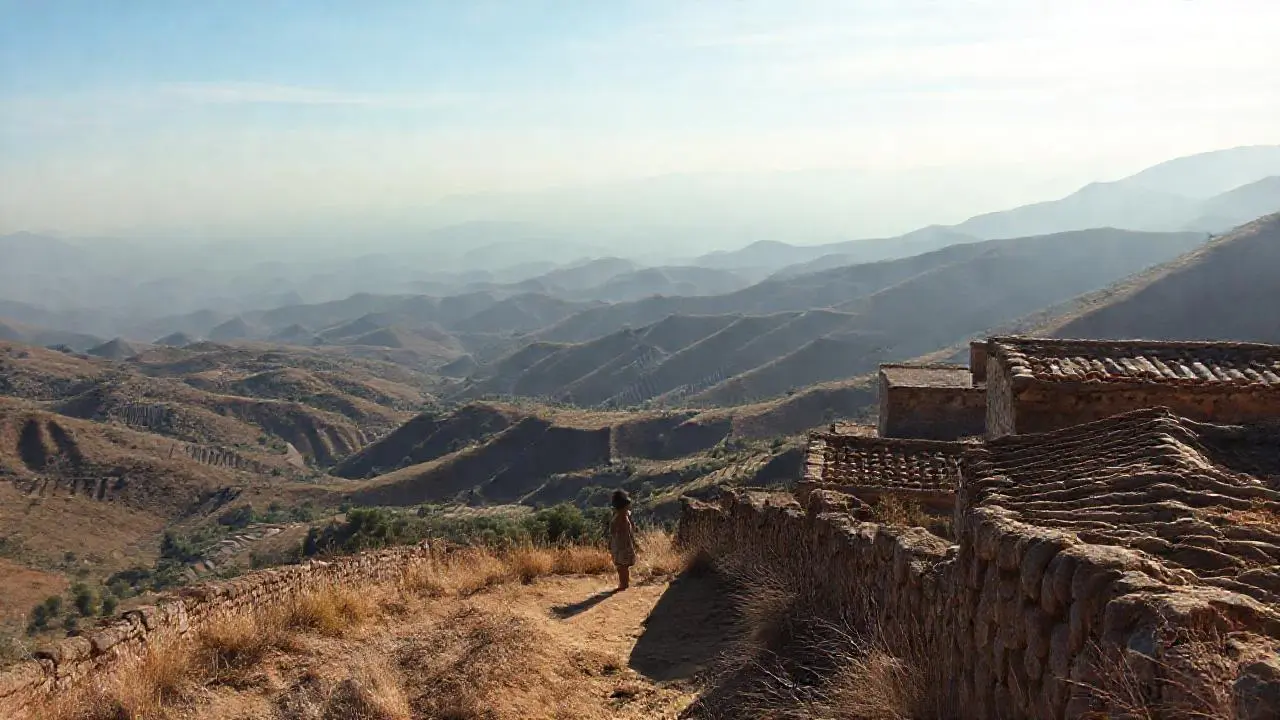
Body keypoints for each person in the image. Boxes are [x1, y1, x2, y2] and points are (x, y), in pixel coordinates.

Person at [609, 489, 638, 591]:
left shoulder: (619, 517)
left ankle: (623, 584)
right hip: (622, 544)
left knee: (622, 566)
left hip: (621, 544)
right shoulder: (624, 515)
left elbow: (613, 531)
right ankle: (624, 583)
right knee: (622, 566)